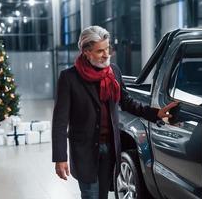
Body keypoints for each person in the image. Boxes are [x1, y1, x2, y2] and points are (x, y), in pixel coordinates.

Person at [52, 25, 179, 199]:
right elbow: (60, 121)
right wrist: (60, 157)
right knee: (90, 194)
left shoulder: (114, 72)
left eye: (107, 49)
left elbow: (126, 102)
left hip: (110, 147)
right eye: (99, 51)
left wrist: (154, 113)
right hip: (85, 150)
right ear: (86, 52)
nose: (106, 55)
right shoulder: (69, 78)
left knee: (103, 195)